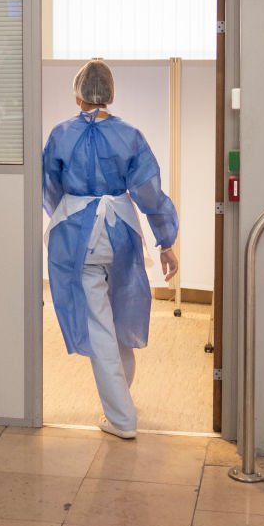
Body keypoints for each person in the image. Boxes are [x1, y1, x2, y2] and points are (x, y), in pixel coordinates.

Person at [42, 59, 179, 439]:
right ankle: (121, 399)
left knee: (99, 324)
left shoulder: (60, 134)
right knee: (119, 318)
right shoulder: (130, 135)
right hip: (121, 233)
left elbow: (50, 189)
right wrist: (166, 241)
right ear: (111, 93)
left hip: (78, 239)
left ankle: (121, 418)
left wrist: (69, 218)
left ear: (78, 93)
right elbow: (150, 192)